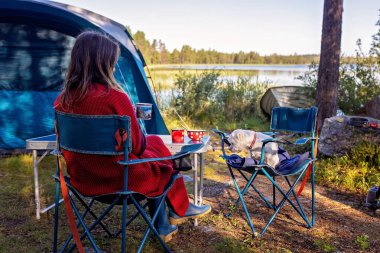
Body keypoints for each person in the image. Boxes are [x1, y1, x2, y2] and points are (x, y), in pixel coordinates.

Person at [54, 31, 211, 242]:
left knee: (155, 145)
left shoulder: (61, 101)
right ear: (103, 63)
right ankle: (178, 207)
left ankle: (165, 222)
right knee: (161, 164)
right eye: (112, 62)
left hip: (83, 180)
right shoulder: (115, 98)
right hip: (122, 181)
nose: (113, 66)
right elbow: (136, 147)